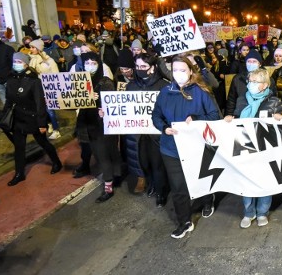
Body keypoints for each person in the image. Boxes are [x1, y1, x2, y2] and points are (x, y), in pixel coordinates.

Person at [152, 56, 220, 239]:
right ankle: (184, 222)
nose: (178, 74)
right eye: (175, 70)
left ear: (190, 71)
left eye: (183, 70)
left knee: (201, 177)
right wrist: (163, 128)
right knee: (178, 186)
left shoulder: (200, 92)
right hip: (171, 149)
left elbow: (214, 116)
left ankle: (207, 200)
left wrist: (197, 120)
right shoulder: (165, 92)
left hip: (196, 146)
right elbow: (156, 115)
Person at [225, 68, 282, 228]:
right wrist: (231, 119)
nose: (250, 84)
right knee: (246, 181)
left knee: (265, 180)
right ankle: (249, 212)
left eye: (255, 82)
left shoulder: (274, 103)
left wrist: (281, 119)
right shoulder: (242, 100)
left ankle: (262, 212)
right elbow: (237, 120)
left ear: (265, 85)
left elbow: (280, 131)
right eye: (250, 81)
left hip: (265, 151)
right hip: (245, 149)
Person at [3, 52, 63, 186]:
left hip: (33, 118)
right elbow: (8, 100)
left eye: (19, 62)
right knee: (19, 147)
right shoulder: (11, 80)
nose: (16, 64)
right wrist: (4, 117)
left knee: (43, 143)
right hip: (18, 119)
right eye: (15, 62)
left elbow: (40, 104)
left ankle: (56, 162)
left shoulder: (34, 81)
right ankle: (19, 173)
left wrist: (42, 123)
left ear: (25, 64)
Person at [125, 53, 170, 203]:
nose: (140, 69)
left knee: (158, 164)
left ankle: (161, 192)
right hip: (138, 134)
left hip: (157, 134)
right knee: (144, 162)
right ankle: (151, 184)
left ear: (153, 68)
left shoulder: (163, 86)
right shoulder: (130, 86)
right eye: (137, 66)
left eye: (143, 66)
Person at [78, 53, 121, 202]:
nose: (90, 65)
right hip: (87, 124)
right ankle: (117, 174)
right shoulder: (80, 82)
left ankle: (108, 185)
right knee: (100, 154)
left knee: (103, 155)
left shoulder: (105, 83)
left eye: (93, 62)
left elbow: (112, 105)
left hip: (102, 126)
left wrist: (101, 105)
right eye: (87, 62)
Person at [27, 39, 62, 140]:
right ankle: (49, 124)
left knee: (50, 110)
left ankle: (56, 130)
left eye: (33, 47)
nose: (31, 49)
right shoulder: (32, 60)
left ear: (38, 48)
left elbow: (56, 74)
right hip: (37, 87)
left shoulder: (49, 60)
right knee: (41, 108)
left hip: (48, 88)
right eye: (31, 47)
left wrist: (55, 88)